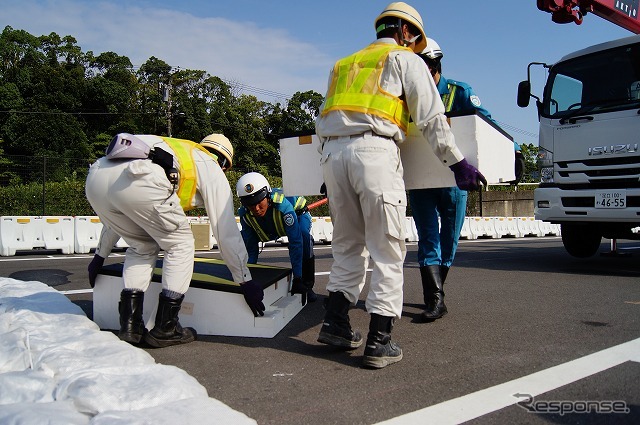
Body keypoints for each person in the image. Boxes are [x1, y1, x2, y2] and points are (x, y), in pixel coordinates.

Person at [314, 2, 486, 369]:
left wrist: (325, 174)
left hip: (332, 156)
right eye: (415, 40)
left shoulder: (342, 65)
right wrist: (458, 163)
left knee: (347, 246)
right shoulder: (406, 60)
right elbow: (431, 117)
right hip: (374, 154)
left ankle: (336, 323)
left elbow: (324, 117)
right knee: (387, 249)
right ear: (407, 32)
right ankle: (379, 341)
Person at [85, 133, 265, 348]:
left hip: (96, 177)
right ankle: (166, 327)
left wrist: (99, 256)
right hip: (142, 178)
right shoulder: (210, 166)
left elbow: (122, 204)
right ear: (224, 163)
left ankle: (130, 326)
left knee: (141, 246)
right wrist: (244, 279)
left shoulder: (180, 151)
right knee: (181, 245)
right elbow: (224, 230)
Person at [409, 38, 522, 323]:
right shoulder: (406, 97)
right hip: (420, 180)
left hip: (453, 180)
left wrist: (514, 150)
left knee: (449, 239)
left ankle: (438, 291)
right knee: (427, 238)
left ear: (433, 65)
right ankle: (434, 300)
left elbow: (486, 122)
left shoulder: (459, 92)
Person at [236, 172, 317, 305]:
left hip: (298, 216)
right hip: (272, 226)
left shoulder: (284, 207)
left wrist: (297, 278)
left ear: (267, 196)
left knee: (304, 237)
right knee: (245, 239)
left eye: (259, 202)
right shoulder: (245, 215)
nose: (256, 209)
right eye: (250, 204)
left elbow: (295, 244)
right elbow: (251, 249)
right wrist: (248, 281)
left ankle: (307, 285)